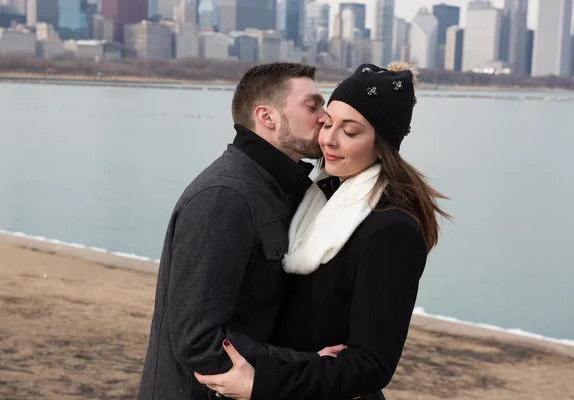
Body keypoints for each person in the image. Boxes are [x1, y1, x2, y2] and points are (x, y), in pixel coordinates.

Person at [195, 62, 451, 400]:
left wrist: (261, 385)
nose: (328, 138)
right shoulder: (313, 198)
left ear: (382, 144)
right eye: (328, 122)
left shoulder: (391, 230)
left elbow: (370, 366)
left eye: (350, 131)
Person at [137, 62, 346, 400]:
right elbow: (198, 341)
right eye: (313, 106)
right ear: (266, 117)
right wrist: (307, 366)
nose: (325, 117)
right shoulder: (225, 197)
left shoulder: (284, 190)